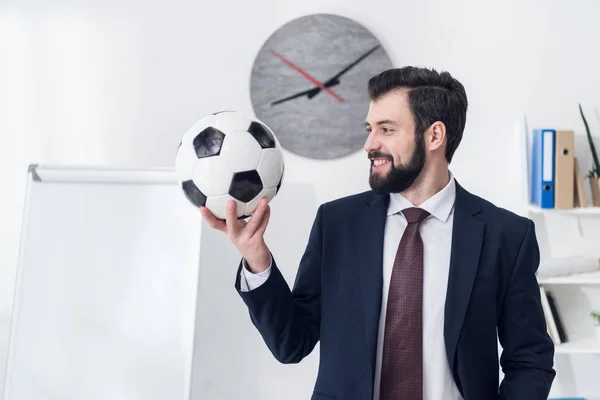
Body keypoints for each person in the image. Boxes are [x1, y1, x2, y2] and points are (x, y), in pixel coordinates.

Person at [200, 66, 556, 400]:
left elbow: (530, 357)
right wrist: (256, 258)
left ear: (434, 135)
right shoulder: (337, 223)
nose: (370, 144)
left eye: (386, 129)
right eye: (369, 129)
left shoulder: (505, 235)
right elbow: (292, 344)